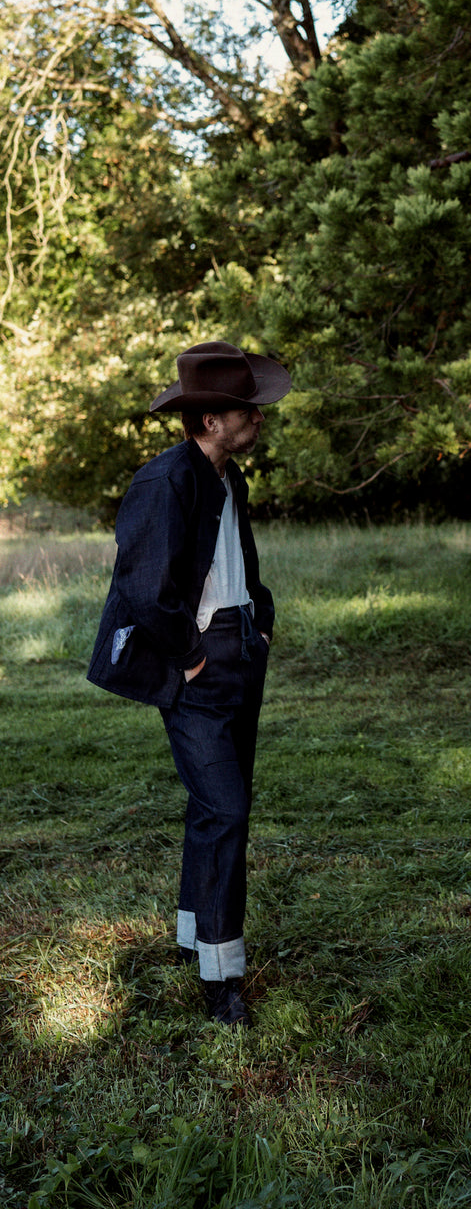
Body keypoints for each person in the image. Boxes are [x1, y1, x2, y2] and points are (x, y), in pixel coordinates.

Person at [88, 340, 291, 1028]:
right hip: (199, 662)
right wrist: (191, 655)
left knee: (216, 809)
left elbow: (237, 563)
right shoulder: (165, 481)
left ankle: (191, 935)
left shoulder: (228, 476)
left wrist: (258, 622)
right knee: (226, 810)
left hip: (241, 650)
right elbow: (143, 588)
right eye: (246, 410)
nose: (258, 418)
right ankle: (221, 977)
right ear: (209, 420)